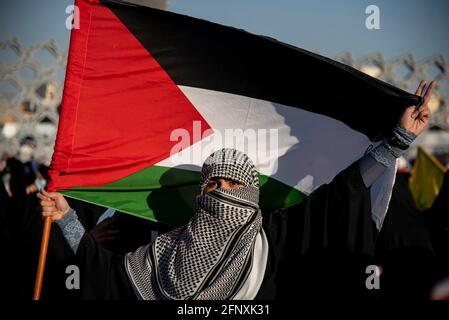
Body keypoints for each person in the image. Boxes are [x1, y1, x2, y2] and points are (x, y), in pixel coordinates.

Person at [38, 81, 435, 300]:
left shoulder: (275, 240)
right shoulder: (163, 251)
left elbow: (340, 194)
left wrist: (395, 142)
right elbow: (105, 274)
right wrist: (67, 218)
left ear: (250, 191)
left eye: (232, 183)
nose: (221, 190)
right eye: (213, 183)